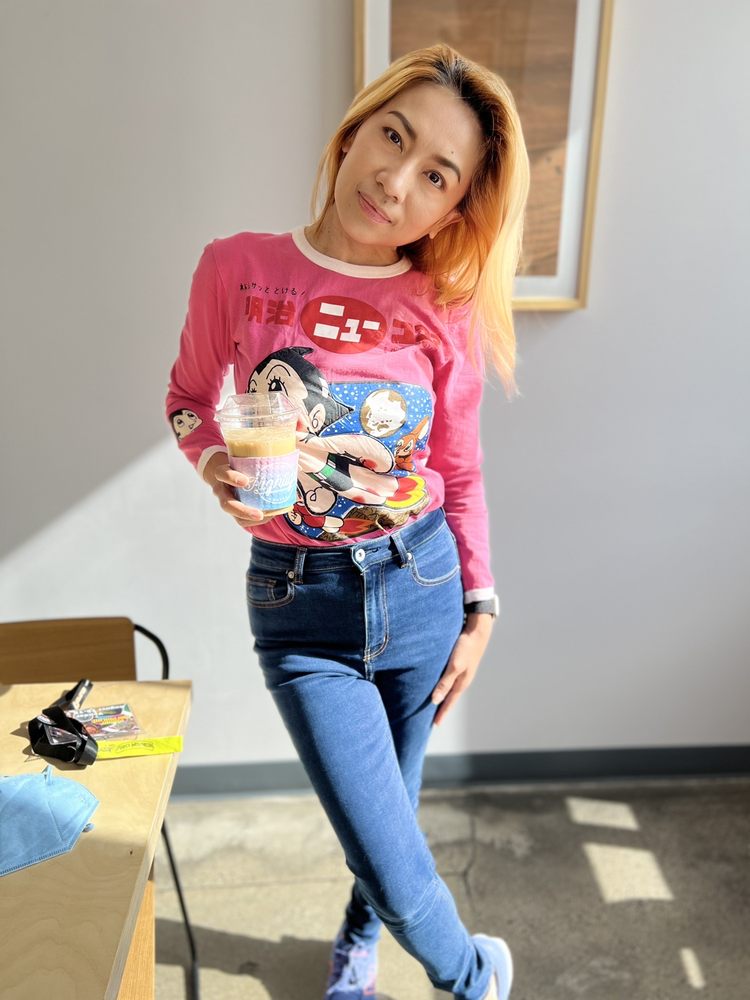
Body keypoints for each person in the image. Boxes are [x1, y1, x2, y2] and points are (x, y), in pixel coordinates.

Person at [166, 41, 529, 1000]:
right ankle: (476, 977)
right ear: (353, 130)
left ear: (454, 209)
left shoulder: (441, 307)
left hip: (422, 584)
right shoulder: (238, 268)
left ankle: (356, 945)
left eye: (437, 175)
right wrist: (214, 463)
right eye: (394, 137)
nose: (396, 180)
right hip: (300, 606)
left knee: (392, 814)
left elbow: (458, 469)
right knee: (386, 847)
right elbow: (190, 397)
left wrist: (481, 606)